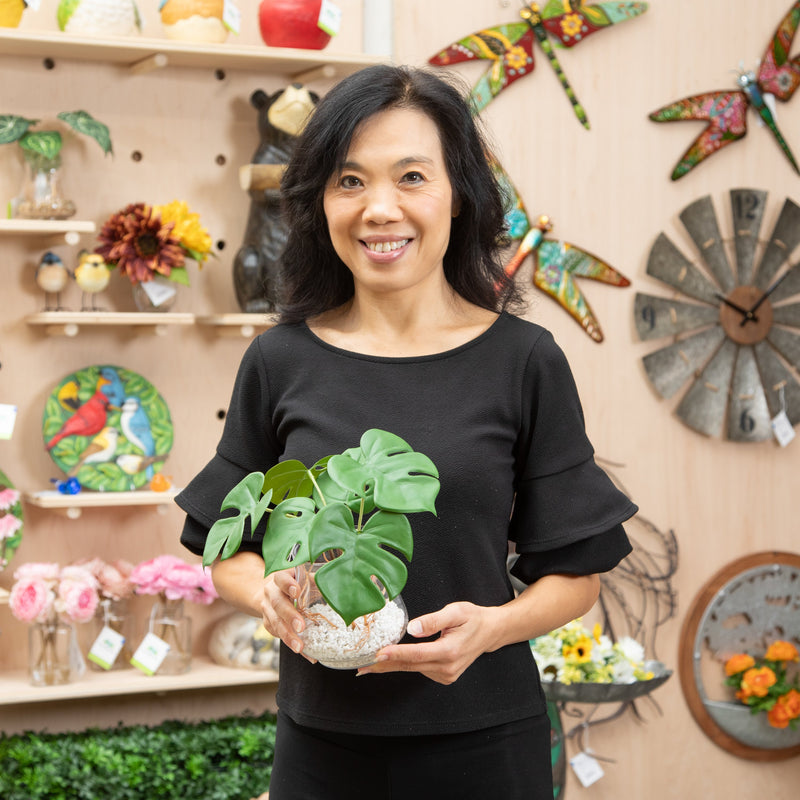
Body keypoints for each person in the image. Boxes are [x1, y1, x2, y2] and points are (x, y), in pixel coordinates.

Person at [176, 64, 637, 800]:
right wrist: (268, 592)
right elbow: (223, 543)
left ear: (460, 197)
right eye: (350, 181)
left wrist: (492, 627)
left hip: (487, 743)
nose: (378, 208)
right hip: (321, 745)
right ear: (321, 203)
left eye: (412, 177)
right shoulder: (280, 359)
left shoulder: (523, 360)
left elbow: (576, 572)